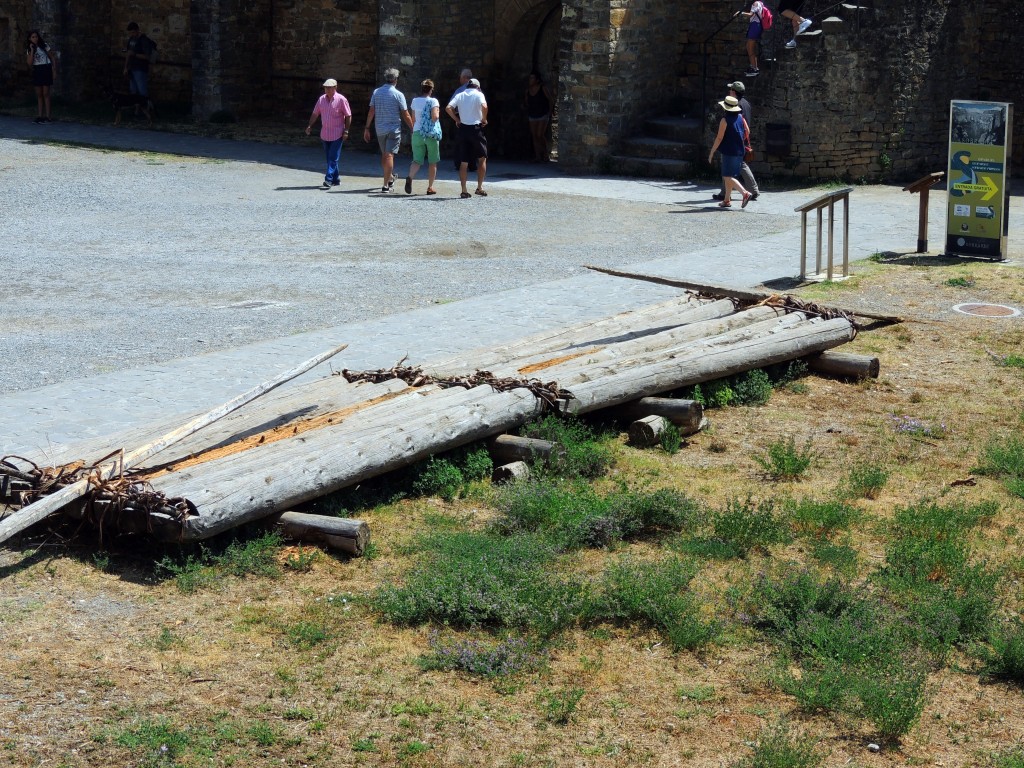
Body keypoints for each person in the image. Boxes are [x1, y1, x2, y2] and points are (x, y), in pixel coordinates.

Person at [363, 68, 414, 193]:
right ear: (396, 79)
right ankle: (386, 185)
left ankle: (390, 178)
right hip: (393, 129)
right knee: (389, 155)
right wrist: (413, 128)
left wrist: (367, 128)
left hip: (380, 129)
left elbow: (371, 111)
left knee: (385, 156)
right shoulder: (398, 94)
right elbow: (405, 114)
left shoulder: (376, 92)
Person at [713, 81, 759, 202]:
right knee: (740, 165)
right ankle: (751, 191)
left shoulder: (736, 105)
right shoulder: (747, 103)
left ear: (734, 92)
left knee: (729, 167)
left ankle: (727, 194)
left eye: (730, 90)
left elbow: (735, 123)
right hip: (742, 138)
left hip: (736, 139)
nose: (729, 92)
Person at [446, 78, 489, 198]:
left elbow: (448, 108)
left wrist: (457, 120)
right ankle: (479, 187)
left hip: (463, 129)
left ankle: (464, 190)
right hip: (476, 129)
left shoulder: (460, 95)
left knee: (463, 162)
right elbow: (484, 107)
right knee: (482, 158)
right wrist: (484, 119)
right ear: (478, 87)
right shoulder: (479, 94)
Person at [305, 78, 352, 188]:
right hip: (325, 134)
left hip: (337, 133)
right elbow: (315, 113)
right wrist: (310, 125)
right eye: (326, 87)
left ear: (335, 87)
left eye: (329, 87)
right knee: (329, 158)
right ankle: (336, 179)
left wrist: (346, 131)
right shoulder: (321, 99)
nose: (327, 89)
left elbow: (348, 115)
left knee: (333, 158)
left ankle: (329, 179)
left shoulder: (341, 100)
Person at [707, 95, 752, 209]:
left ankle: (745, 193)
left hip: (729, 151)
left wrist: (712, 152)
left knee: (727, 177)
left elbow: (719, 138)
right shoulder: (741, 117)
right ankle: (726, 200)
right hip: (739, 150)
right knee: (730, 176)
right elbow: (747, 131)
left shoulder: (724, 120)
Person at [405, 79, 441, 195]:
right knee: (432, 161)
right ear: (431, 89)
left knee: (417, 160)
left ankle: (410, 177)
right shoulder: (433, 101)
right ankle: (430, 187)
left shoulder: (415, 101)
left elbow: (413, 119)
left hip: (417, 133)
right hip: (430, 134)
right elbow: (435, 117)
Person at [25, 30, 57, 124]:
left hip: (46, 69)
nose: (35, 38)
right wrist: (31, 51)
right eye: (33, 37)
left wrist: (54, 70)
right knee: (39, 94)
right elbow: (29, 63)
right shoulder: (29, 49)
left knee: (46, 93)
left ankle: (48, 117)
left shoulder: (44, 45)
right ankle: (40, 116)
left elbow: (52, 57)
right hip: (37, 70)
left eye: (36, 36)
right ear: (30, 39)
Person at [448, 68, 476, 172]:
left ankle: (459, 164)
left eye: (460, 78)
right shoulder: (478, 90)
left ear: (464, 78)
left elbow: (450, 107)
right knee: (473, 142)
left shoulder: (459, 91)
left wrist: (456, 119)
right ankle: (472, 164)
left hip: (462, 118)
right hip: (474, 119)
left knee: (460, 142)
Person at [523, 71, 554, 163]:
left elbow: (550, 99)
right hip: (532, 114)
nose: (530, 80)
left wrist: (550, 111)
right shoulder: (527, 91)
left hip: (543, 114)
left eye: (532, 78)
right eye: (530, 78)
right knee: (534, 136)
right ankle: (538, 156)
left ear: (537, 80)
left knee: (540, 135)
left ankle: (545, 154)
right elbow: (526, 102)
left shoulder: (542, 88)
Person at [123, 22, 156, 103]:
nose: (132, 34)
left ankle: (147, 109)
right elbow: (128, 54)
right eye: (130, 33)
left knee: (142, 91)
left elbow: (147, 56)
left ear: (138, 30)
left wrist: (134, 54)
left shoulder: (144, 40)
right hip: (132, 67)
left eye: (133, 32)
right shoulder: (131, 39)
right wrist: (125, 67)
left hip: (140, 68)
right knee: (133, 90)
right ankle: (136, 110)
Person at [738, 1, 765, 77]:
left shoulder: (755, 3)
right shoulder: (760, 3)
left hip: (755, 25)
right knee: (748, 46)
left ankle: (754, 68)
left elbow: (751, 15)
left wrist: (741, 13)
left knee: (750, 47)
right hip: (755, 25)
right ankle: (753, 67)